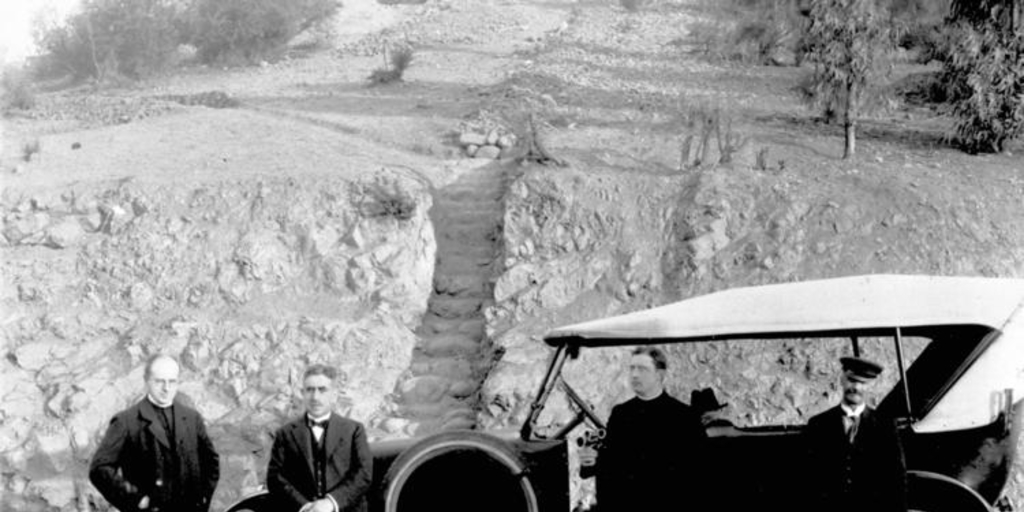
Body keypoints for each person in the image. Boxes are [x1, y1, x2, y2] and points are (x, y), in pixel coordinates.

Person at [579, 347, 707, 512]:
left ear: (660, 375)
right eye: (632, 368)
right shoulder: (620, 414)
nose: (635, 375)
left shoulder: (684, 417)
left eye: (642, 369)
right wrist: (591, 460)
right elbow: (611, 464)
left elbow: (699, 474)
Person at [89, 354, 220, 512]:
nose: (166, 388)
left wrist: (203, 499)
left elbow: (211, 462)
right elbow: (99, 468)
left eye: (172, 382)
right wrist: (136, 500)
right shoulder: (126, 421)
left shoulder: (192, 419)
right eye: (159, 381)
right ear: (147, 381)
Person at [803, 356, 907, 512]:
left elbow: (896, 480)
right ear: (842, 380)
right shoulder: (818, 425)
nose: (856, 387)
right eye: (851, 380)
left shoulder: (885, 426)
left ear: (870, 386)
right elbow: (808, 480)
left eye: (863, 383)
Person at [267, 364, 373, 512]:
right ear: (302, 393)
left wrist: (331, 503)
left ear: (334, 394)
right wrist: (304, 506)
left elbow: (364, 474)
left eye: (322, 390)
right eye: (309, 390)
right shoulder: (285, 434)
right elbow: (275, 478)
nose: (315, 397)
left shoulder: (354, 430)